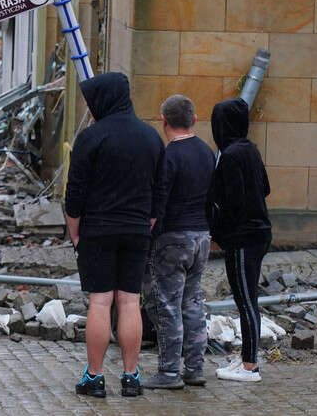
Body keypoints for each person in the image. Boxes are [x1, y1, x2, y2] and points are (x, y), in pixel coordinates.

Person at [64, 72, 163, 399]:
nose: (91, 109)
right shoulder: (151, 137)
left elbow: (74, 194)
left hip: (98, 231)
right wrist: (144, 225)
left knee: (101, 301)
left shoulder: (91, 138)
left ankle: (94, 377)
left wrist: (76, 234)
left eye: (93, 103)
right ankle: (131, 377)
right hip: (137, 231)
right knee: (130, 301)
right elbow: (159, 194)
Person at [141, 94, 215, 390]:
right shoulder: (208, 153)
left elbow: (158, 205)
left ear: (164, 122)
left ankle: (169, 372)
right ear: (194, 119)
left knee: (167, 306)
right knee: (193, 303)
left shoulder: (168, 156)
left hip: (173, 239)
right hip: (202, 237)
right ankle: (195, 368)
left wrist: (146, 235)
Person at [207, 97, 272, 383]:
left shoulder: (231, 156)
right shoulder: (250, 150)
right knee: (248, 299)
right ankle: (248, 358)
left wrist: (219, 233)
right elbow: (266, 189)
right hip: (258, 233)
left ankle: (250, 365)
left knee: (246, 301)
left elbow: (231, 203)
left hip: (243, 238)